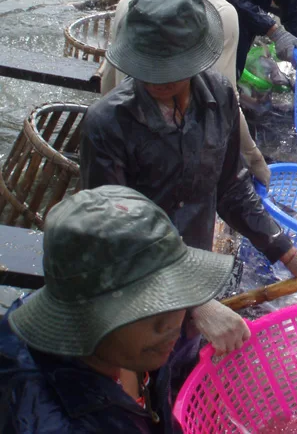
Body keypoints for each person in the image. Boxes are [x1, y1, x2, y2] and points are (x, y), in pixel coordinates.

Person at [78, 0, 297, 380]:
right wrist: (194, 302)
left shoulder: (218, 96)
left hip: (195, 271)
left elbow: (231, 187)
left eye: (172, 66)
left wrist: (292, 256)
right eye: (150, 64)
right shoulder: (107, 124)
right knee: (132, 392)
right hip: (132, 292)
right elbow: (112, 239)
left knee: (179, 382)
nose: (158, 79)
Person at [0, 185, 237, 433]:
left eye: (172, 295)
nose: (169, 324)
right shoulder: (58, 423)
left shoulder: (129, 340)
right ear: (82, 315)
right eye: (144, 307)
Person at [98, 0, 271, 186]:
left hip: (121, 149)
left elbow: (108, 83)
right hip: (175, 164)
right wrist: (254, 159)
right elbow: (226, 103)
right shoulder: (221, 14)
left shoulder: (130, 1)